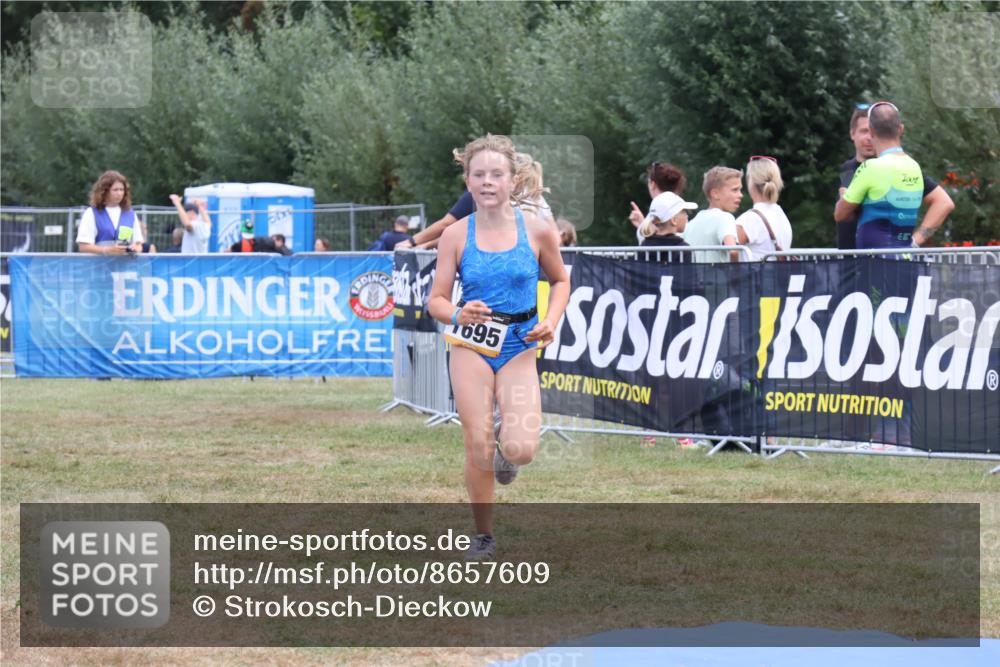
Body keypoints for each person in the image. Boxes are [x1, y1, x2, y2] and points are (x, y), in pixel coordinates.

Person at [427, 134, 570, 561]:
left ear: (513, 180)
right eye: (478, 175)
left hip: (520, 343)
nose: (487, 182)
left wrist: (550, 320)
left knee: (520, 448)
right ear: (467, 182)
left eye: (496, 174)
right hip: (472, 344)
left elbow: (561, 280)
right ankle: (484, 535)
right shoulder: (454, 235)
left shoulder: (538, 230)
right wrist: (456, 313)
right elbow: (435, 300)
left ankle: (507, 451)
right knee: (477, 441)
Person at [835, 102, 954, 249]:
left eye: (869, 131)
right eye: (862, 131)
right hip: (849, 259)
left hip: (873, 259)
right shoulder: (847, 169)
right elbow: (846, 216)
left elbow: (944, 203)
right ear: (852, 133)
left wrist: (915, 241)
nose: (867, 138)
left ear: (873, 132)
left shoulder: (902, 167)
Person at [735, 156, 792, 261]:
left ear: (751, 182)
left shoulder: (749, 220)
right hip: (779, 276)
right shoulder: (780, 214)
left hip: (754, 276)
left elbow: (729, 252)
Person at [76, 170, 144, 255]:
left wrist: (135, 249)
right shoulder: (91, 213)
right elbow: (83, 247)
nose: (119, 193)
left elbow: (138, 244)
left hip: (124, 267)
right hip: (98, 266)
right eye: (115, 190)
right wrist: (107, 250)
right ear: (104, 192)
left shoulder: (130, 214)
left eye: (122, 190)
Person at [683, 166, 742, 263]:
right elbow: (733, 251)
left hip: (693, 278)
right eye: (735, 190)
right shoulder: (725, 217)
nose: (740, 195)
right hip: (718, 278)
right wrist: (735, 274)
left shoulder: (693, 222)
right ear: (715, 194)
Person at [395, 191, 475, 250]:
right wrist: (427, 245)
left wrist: (411, 242)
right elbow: (456, 234)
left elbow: (446, 223)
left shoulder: (473, 196)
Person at [628, 162, 687, 242]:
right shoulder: (680, 211)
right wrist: (642, 223)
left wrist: (644, 225)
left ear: (652, 184)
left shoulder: (659, 216)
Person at [638, 191, 697, 261]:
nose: (687, 215)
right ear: (674, 220)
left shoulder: (642, 248)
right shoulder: (684, 251)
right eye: (683, 211)